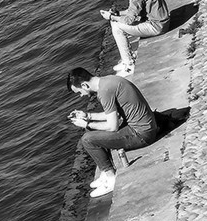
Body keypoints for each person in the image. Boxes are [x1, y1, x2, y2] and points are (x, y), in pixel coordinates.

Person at [66, 67, 160, 197]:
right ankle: (105, 171)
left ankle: (111, 178)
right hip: (146, 126)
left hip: (142, 134)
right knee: (91, 129)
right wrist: (88, 116)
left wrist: (86, 124)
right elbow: (113, 114)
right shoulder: (108, 81)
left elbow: (112, 126)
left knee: (87, 139)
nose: (81, 95)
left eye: (79, 92)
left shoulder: (104, 92)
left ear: (84, 85)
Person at [100, 0, 170, 75]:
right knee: (116, 21)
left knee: (116, 25)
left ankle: (128, 63)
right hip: (160, 20)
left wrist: (111, 17)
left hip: (157, 26)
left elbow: (129, 20)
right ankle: (127, 58)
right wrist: (117, 13)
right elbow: (134, 10)